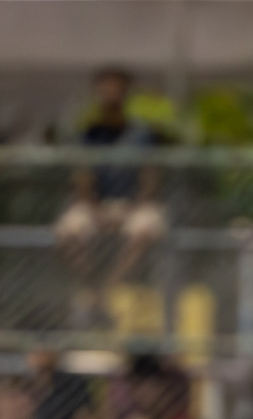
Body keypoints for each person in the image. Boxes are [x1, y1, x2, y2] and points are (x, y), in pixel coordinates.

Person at [53, 67, 168, 326]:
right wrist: (95, 211)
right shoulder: (89, 134)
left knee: (144, 228)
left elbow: (150, 178)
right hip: (96, 204)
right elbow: (83, 180)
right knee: (68, 231)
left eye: (116, 90)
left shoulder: (142, 134)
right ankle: (94, 288)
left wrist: (131, 208)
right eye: (105, 90)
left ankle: (109, 288)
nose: (111, 96)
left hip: (133, 204)